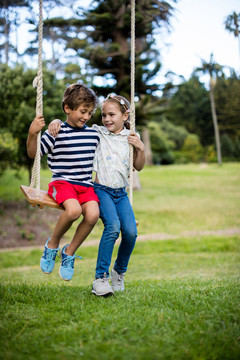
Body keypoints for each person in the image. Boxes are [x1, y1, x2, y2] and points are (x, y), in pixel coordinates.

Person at [49, 93, 145, 296]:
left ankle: (119, 271)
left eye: (112, 115)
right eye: (103, 115)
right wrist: (56, 121)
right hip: (100, 189)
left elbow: (138, 166)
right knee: (112, 227)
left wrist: (140, 149)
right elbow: (74, 126)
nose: (107, 119)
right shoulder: (97, 132)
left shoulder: (131, 138)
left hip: (121, 193)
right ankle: (101, 278)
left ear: (125, 116)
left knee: (130, 233)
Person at [27, 83, 100, 281]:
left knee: (93, 214)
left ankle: (69, 252)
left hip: (85, 186)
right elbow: (34, 154)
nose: (86, 117)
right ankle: (53, 244)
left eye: (90, 113)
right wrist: (33, 133)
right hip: (62, 183)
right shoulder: (56, 131)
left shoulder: (94, 135)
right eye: (83, 111)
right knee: (74, 211)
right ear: (68, 108)